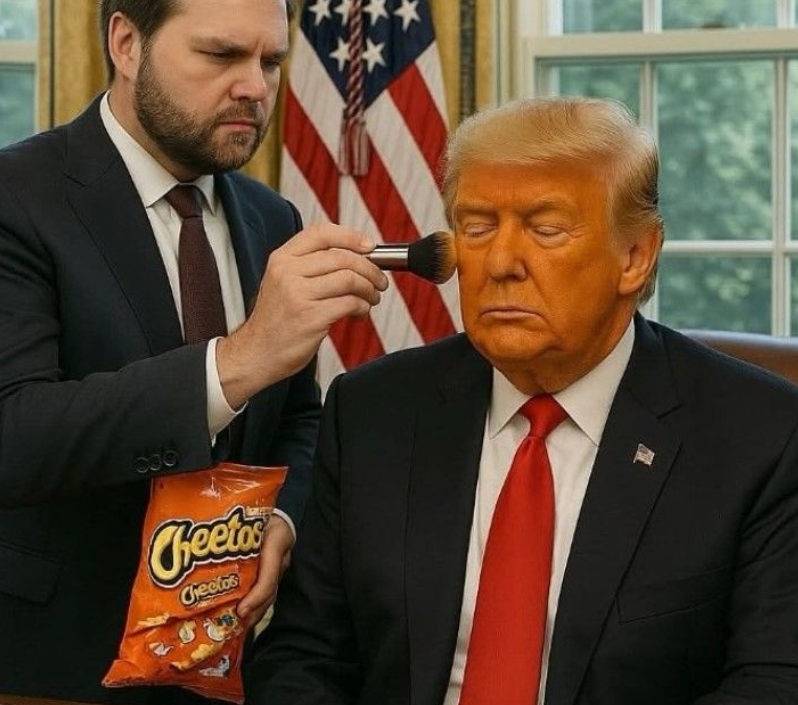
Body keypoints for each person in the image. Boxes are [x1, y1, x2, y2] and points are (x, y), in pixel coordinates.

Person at [0, 0, 387, 704]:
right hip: (28, 667)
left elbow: (297, 416)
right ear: (126, 42)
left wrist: (282, 521)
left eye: (270, 60)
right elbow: (8, 439)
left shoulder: (270, 218)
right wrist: (238, 360)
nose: (255, 86)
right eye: (220, 54)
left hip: (214, 667)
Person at [246, 96, 798, 705]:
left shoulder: (760, 437)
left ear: (635, 257)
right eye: (477, 228)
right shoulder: (373, 412)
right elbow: (303, 657)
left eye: (545, 229)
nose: (501, 263)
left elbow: (774, 683)